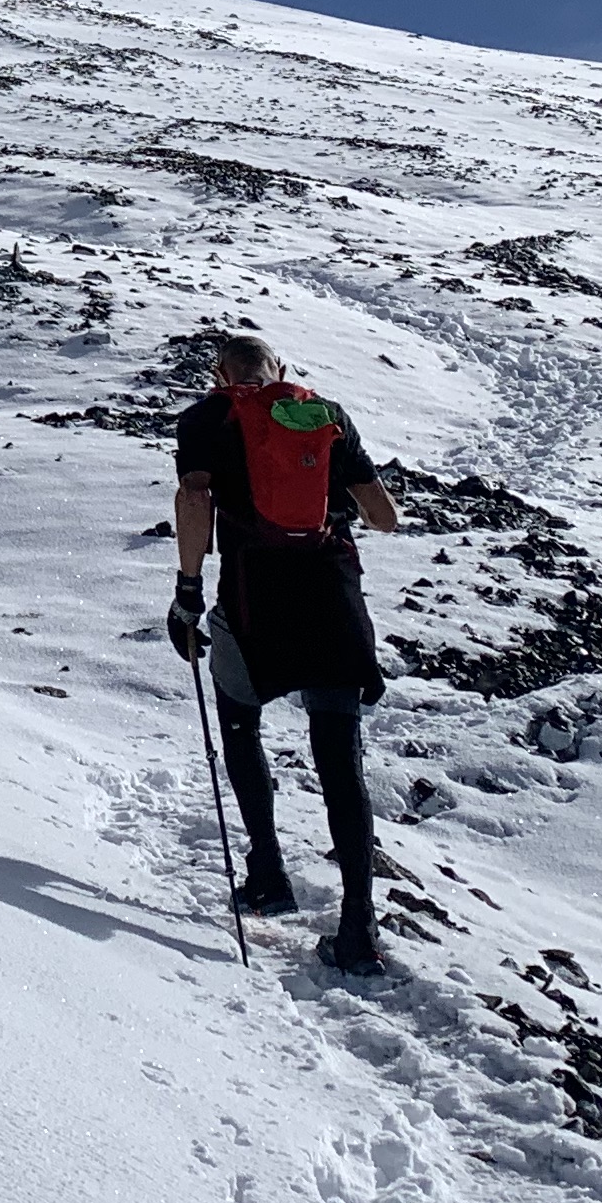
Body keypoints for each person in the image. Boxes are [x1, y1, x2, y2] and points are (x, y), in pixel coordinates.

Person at [166, 330, 400, 972]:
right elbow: (384, 517)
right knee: (339, 762)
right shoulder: (324, 414)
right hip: (332, 600)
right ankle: (358, 929)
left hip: (252, 602)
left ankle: (268, 874)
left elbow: (194, 498)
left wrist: (188, 592)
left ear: (220, 375)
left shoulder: (205, 419)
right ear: (282, 370)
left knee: (241, 726)